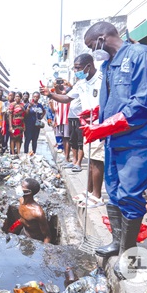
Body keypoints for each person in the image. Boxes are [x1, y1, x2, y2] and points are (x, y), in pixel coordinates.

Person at [82, 21, 147, 279]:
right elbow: (116, 98)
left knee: (130, 195)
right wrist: (97, 114)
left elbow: (143, 103)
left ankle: (130, 255)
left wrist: (104, 127)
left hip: (138, 139)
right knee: (114, 192)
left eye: (91, 45)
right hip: (115, 139)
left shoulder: (143, 56)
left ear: (103, 38)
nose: (92, 51)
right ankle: (117, 243)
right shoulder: (108, 64)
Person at [40, 54, 104, 206]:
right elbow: (67, 98)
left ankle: (97, 196)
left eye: (78, 68)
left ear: (89, 65)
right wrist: (50, 94)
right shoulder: (81, 83)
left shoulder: (102, 79)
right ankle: (89, 192)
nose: (76, 71)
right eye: (74, 68)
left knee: (97, 161)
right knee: (90, 161)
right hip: (87, 125)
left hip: (99, 124)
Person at [13, 178, 51, 243]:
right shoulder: (21, 200)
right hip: (24, 232)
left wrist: (44, 250)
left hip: (34, 239)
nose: (19, 188)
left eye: (22, 187)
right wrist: (11, 229)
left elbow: (47, 236)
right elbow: (21, 219)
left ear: (29, 192)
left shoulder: (37, 213)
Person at [8, 92, 25, 156]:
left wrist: (24, 125)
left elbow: (24, 115)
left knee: (19, 139)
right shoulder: (12, 104)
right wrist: (10, 126)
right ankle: (12, 153)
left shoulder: (22, 105)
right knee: (12, 139)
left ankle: (18, 153)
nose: (17, 98)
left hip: (20, 125)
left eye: (18, 97)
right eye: (16, 96)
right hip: (13, 124)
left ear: (21, 98)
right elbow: (10, 115)